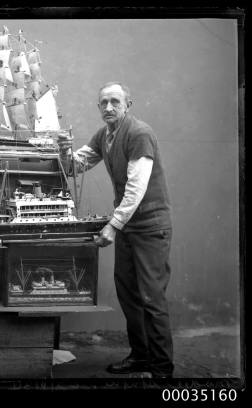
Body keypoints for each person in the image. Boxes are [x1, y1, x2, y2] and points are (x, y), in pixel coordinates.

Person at [58, 82, 173, 378]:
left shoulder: (139, 133)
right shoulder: (104, 135)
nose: (108, 107)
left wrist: (112, 225)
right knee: (129, 294)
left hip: (150, 227)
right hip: (128, 226)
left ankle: (162, 370)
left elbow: (136, 188)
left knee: (151, 298)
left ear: (128, 104)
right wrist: (62, 151)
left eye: (115, 102)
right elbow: (75, 166)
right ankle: (141, 357)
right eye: (103, 103)